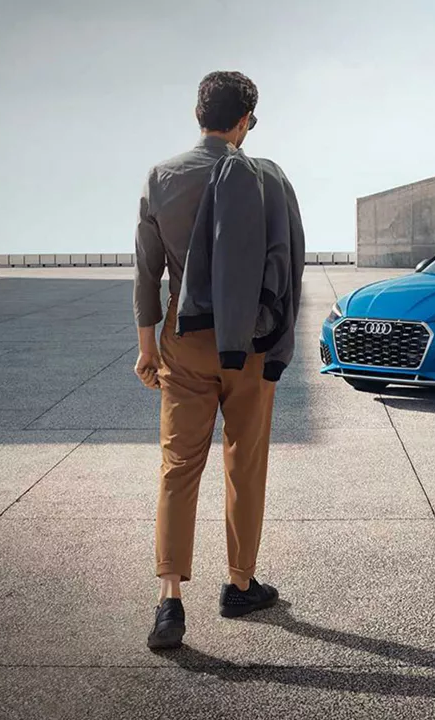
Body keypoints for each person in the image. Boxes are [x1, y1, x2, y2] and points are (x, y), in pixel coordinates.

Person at [132, 70, 303, 650]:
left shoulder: (162, 177)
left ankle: (169, 602)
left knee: (179, 467)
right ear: (244, 121)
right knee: (244, 462)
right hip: (249, 344)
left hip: (185, 341)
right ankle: (239, 583)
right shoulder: (265, 179)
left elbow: (147, 273)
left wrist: (146, 347)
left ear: (197, 113)